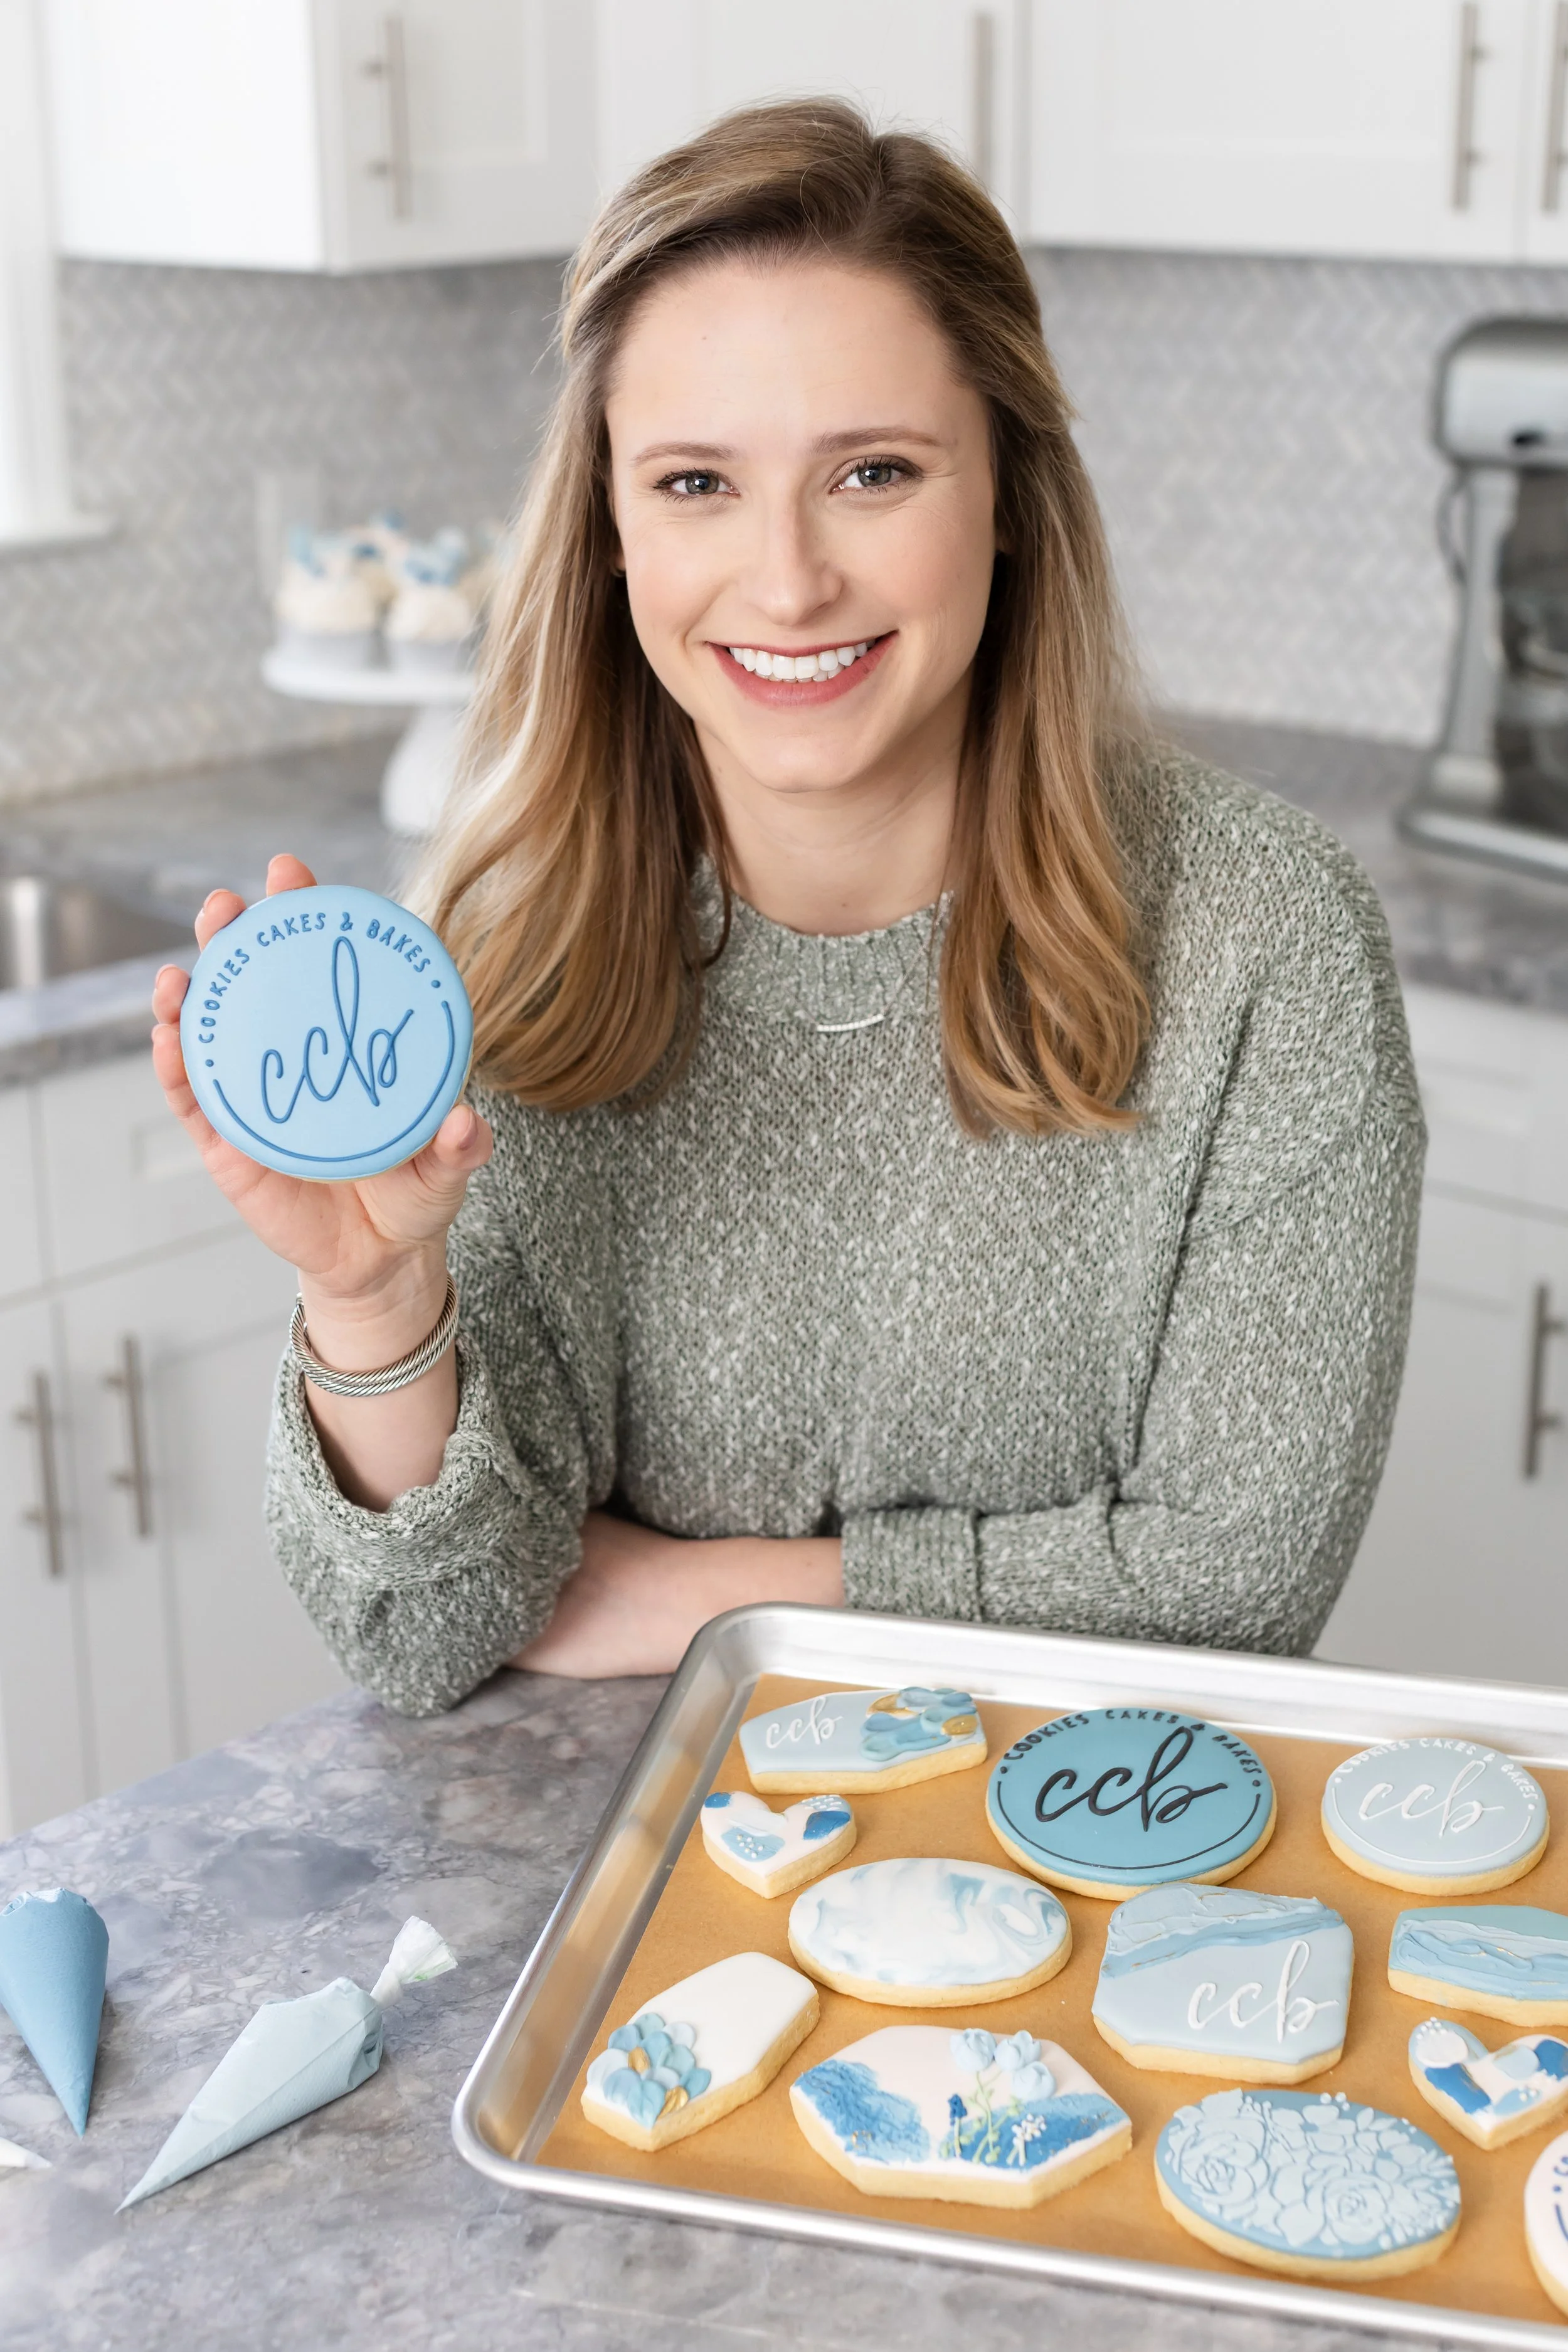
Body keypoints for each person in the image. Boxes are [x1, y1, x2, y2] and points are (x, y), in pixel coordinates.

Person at [151, 102, 1424, 1717]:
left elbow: (1239, 1592)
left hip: (1068, 1860)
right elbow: (428, 1631)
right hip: (618, 1876)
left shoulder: (1261, 940)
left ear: (1009, 495)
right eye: (694, 483)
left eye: (872, 474)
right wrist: (372, 1296)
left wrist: (705, 1599)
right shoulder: (502, 960)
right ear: (611, 532)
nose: (786, 580)